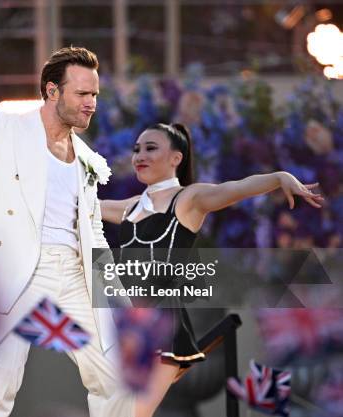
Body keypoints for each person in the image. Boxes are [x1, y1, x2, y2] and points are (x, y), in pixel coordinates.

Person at [0, 47, 134, 417]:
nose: (91, 103)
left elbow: (94, 234)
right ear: (52, 91)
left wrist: (116, 297)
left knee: (115, 380)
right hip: (15, 270)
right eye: (82, 94)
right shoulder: (7, 122)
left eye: (95, 95)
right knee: (0, 380)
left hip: (72, 274)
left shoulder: (86, 158)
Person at [99, 122, 323, 417]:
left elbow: (235, 189)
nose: (140, 155)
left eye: (151, 148)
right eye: (136, 149)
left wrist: (278, 177)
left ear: (176, 158)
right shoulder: (129, 207)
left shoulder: (189, 199)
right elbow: (81, 204)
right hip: (130, 330)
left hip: (167, 329)